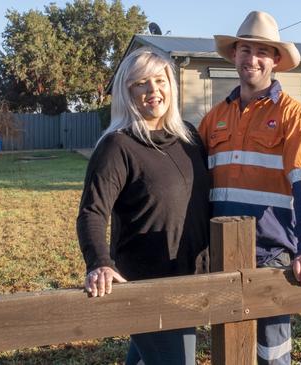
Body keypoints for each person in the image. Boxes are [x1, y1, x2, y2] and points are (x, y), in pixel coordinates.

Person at [198, 11, 301, 365]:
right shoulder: (214, 118)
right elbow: (195, 184)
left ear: (274, 60)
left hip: (273, 254)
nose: (251, 58)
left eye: (261, 51)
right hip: (221, 254)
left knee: (271, 352)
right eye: (244, 49)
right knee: (229, 346)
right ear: (234, 55)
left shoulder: (292, 115)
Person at [76, 47, 210, 365]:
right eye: (141, 83)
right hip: (146, 284)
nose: (153, 90)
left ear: (171, 85)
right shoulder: (117, 146)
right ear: (127, 91)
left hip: (189, 276)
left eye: (160, 80)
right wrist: (99, 262)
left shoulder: (188, 137)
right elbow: (92, 211)